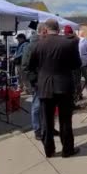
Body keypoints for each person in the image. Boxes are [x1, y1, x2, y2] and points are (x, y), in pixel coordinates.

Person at [29, 19, 82, 158]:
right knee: (65, 120)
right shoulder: (68, 43)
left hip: (44, 86)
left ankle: (49, 151)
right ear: (58, 29)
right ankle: (67, 150)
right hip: (64, 85)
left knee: (46, 120)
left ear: (45, 29)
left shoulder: (37, 44)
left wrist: (36, 82)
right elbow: (77, 64)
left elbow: (30, 67)